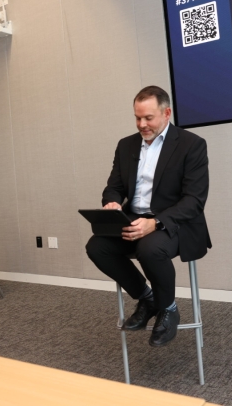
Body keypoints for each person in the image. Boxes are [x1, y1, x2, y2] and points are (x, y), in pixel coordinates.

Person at [86, 86, 211, 346]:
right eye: (137, 117)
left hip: (174, 223)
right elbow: (114, 187)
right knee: (97, 247)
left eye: (148, 118)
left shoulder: (192, 145)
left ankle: (168, 308)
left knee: (150, 249)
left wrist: (155, 223)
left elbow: (194, 200)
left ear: (166, 113)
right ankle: (147, 298)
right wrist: (111, 202)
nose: (142, 124)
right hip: (133, 219)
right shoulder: (126, 145)